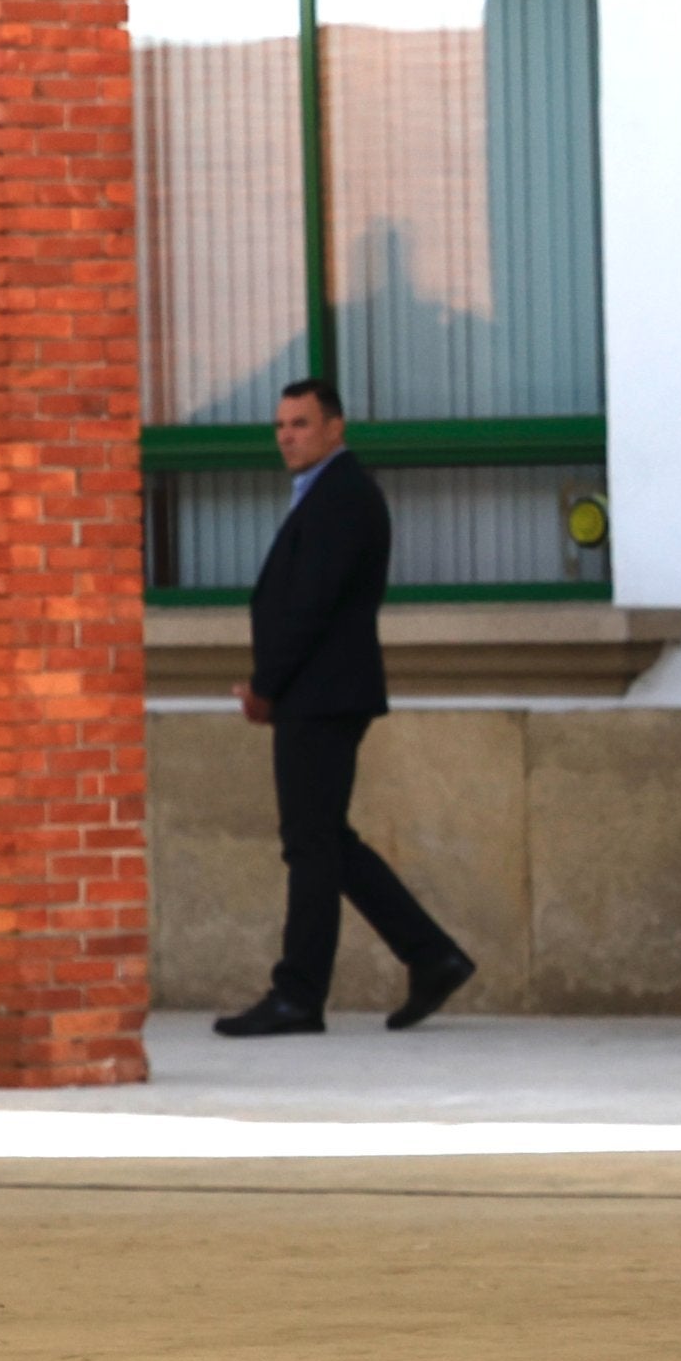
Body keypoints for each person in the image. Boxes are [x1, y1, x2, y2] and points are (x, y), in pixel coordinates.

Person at [213, 376, 474, 1037]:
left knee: (310, 842)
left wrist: (267, 686)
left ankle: (300, 994)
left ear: (336, 427)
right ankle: (431, 955)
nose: (286, 436)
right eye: (280, 426)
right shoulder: (327, 494)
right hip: (319, 692)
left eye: (300, 423)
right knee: (325, 838)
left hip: (320, 696)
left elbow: (311, 606)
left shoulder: (342, 495)